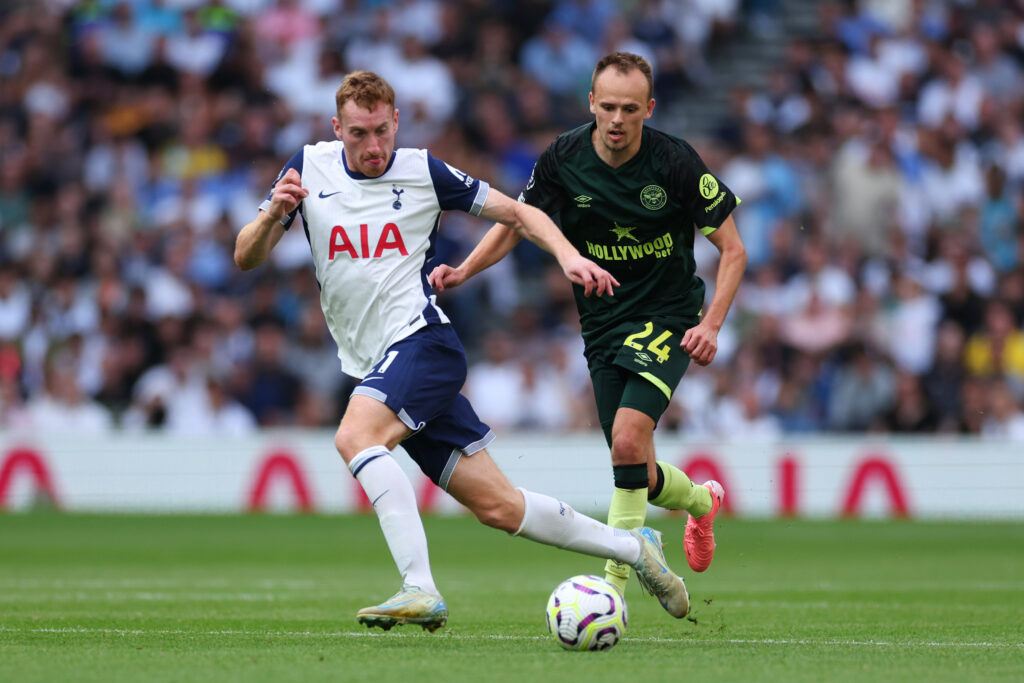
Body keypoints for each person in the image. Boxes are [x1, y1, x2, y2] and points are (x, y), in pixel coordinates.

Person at [234, 69, 692, 632]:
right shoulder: (307, 168)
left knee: (355, 436)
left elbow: (519, 212)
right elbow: (246, 256)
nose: (373, 146)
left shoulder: (422, 171)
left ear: (396, 121)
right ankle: (633, 548)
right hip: (378, 363)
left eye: (382, 131)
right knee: (500, 506)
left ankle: (419, 587)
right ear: (336, 128)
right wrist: (272, 214)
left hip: (421, 343)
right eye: (358, 134)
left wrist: (568, 255)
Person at [430, 53, 747, 595]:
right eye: (609, 107)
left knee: (626, 441)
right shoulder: (564, 157)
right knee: (636, 467)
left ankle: (612, 590)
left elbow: (734, 250)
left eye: (631, 108)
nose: (618, 119)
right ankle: (701, 500)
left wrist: (711, 325)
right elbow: (517, 222)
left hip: (667, 317)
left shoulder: (675, 162)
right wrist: (464, 270)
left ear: (649, 108)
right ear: (592, 103)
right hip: (601, 324)